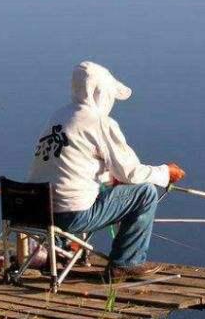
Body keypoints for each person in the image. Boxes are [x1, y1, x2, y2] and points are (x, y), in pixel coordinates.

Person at [29, 61, 186, 279]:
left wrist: (111, 177)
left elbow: (74, 166)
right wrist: (165, 173)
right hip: (71, 217)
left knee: (84, 190)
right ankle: (126, 262)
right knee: (145, 193)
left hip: (37, 214)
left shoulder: (58, 117)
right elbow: (130, 173)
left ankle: (59, 251)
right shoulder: (99, 122)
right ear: (100, 93)